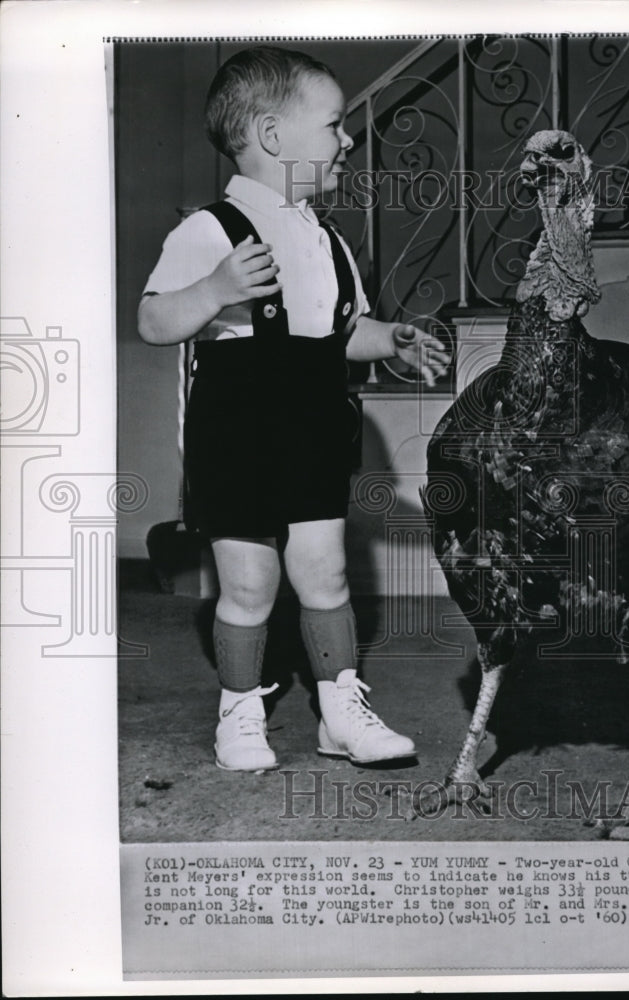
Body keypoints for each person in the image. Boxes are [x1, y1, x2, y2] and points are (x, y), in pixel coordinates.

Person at [138, 45, 450, 773]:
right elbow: (154, 321)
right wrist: (213, 291)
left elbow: (340, 331)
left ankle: (339, 708)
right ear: (273, 137)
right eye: (336, 125)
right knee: (249, 584)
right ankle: (239, 712)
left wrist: (390, 341)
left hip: (312, 431)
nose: (349, 140)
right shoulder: (209, 231)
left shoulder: (326, 237)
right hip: (237, 437)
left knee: (326, 575)